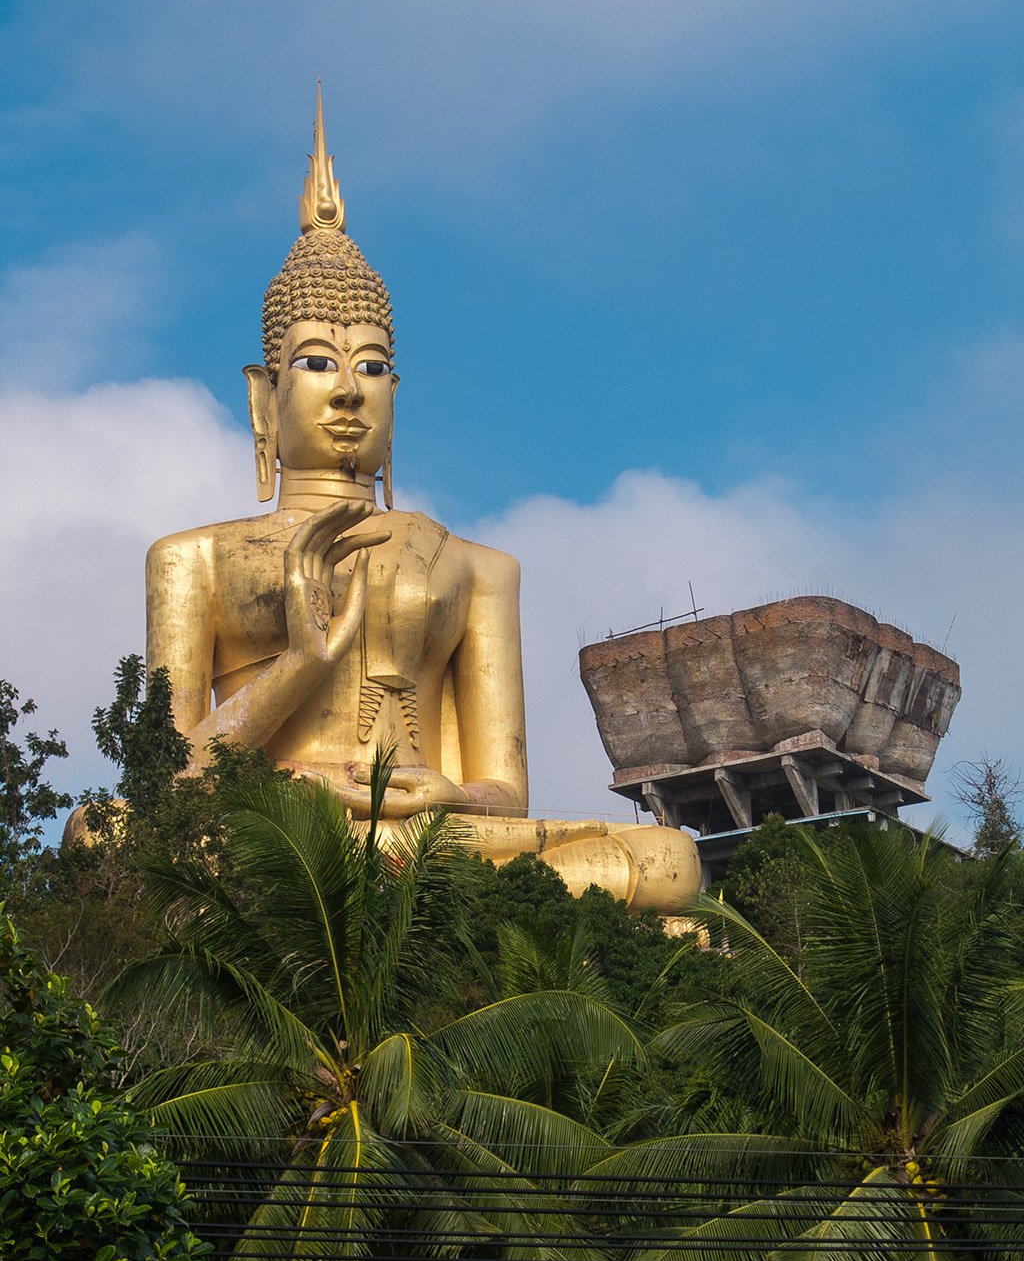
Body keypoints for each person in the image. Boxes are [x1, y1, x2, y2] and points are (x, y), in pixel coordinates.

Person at [146, 87, 700, 912]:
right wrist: (301, 661)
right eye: (317, 363)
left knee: (665, 856)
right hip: (273, 827)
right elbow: (169, 786)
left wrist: (449, 793)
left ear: (395, 397)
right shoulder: (194, 559)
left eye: (370, 367)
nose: (347, 392)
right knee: (111, 831)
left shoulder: (475, 567)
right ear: (264, 398)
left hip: (426, 834)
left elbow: (504, 789)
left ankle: (398, 870)